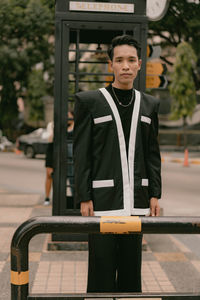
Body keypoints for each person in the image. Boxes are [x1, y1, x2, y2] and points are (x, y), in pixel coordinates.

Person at [74, 35, 161, 292]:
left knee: (131, 273)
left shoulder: (150, 104)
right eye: (120, 60)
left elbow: (152, 154)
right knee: (100, 271)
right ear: (111, 64)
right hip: (102, 202)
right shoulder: (89, 102)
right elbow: (82, 153)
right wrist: (83, 196)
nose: (125, 66)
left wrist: (155, 193)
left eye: (131, 60)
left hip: (138, 201)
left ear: (139, 64)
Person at [44, 122, 54, 205]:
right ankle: (47, 197)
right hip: (51, 148)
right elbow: (49, 139)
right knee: (49, 175)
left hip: (62, 150)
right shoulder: (51, 124)